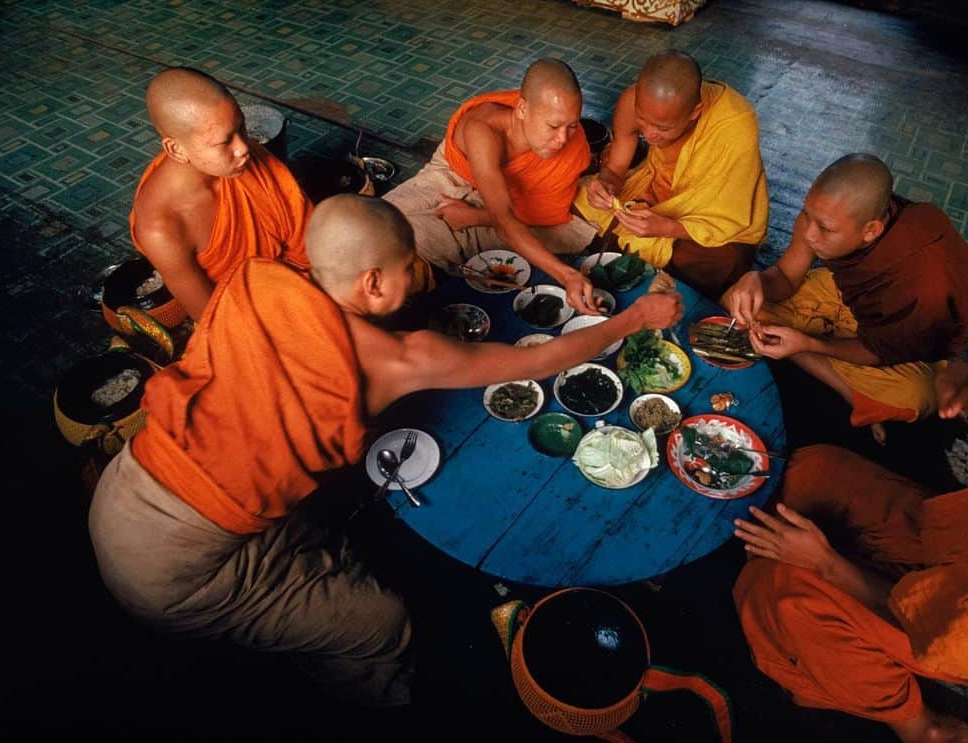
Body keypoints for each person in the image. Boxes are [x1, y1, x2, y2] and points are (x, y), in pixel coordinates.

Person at [88, 195, 683, 708]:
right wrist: (634, 318)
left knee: (321, 534)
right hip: (167, 576)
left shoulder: (254, 280)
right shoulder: (398, 358)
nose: (416, 279)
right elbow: (537, 360)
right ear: (372, 282)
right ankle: (372, 702)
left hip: (127, 483)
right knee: (381, 624)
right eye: (408, 269)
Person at [733, 307, 968, 742]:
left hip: (958, 625)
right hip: (951, 541)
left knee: (779, 589)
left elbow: (927, 623)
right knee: (811, 470)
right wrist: (966, 377)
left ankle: (917, 724)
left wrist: (826, 563)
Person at [721, 153, 968, 439]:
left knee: (918, 395)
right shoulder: (822, 217)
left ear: (871, 230)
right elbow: (785, 277)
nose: (808, 233)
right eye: (806, 214)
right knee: (741, 300)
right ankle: (799, 350)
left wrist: (808, 344)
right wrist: (755, 278)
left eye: (824, 228)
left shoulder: (924, 275)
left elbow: (879, 350)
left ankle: (819, 367)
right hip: (841, 294)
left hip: (904, 336)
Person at [383, 58, 601, 314]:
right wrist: (567, 276)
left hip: (507, 201)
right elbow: (504, 220)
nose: (562, 139)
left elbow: (541, 210)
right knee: (378, 224)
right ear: (521, 109)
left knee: (415, 244)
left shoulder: (571, 142)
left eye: (572, 126)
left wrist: (476, 216)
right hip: (453, 176)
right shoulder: (483, 129)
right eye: (553, 126)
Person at [574, 50, 769, 298]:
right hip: (656, 187)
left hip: (709, 218)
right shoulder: (631, 101)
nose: (650, 134)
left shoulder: (735, 123)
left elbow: (730, 217)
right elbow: (615, 169)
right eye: (643, 120)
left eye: (662, 128)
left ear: (695, 112)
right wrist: (606, 184)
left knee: (725, 260)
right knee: (578, 196)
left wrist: (667, 228)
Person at [130, 66, 313, 321]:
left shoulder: (247, 161)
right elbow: (212, 319)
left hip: (298, 280)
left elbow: (306, 241)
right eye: (224, 142)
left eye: (241, 128)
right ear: (176, 149)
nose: (243, 148)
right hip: (244, 313)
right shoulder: (161, 227)